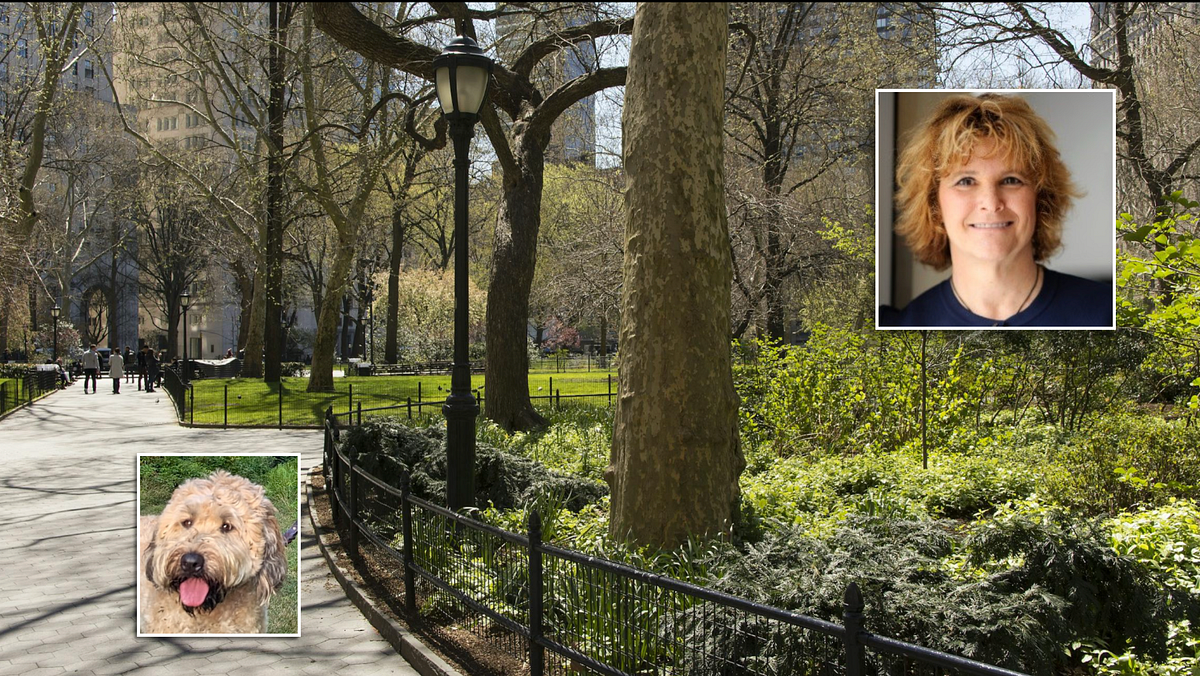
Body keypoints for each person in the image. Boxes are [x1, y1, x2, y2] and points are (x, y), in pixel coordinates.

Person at [879, 93, 1111, 328]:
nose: (991, 203)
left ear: (1040, 198)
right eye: (966, 181)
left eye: (1011, 180)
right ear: (934, 204)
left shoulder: (1108, 312)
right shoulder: (896, 330)